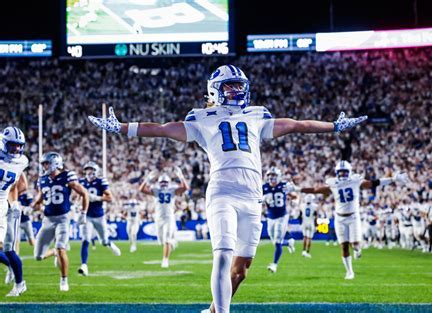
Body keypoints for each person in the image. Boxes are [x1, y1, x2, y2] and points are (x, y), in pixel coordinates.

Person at [88, 65, 367, 312]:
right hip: (222, 192)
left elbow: (297, 125)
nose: (236, 91)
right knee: (222, 254)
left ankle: (212, 310)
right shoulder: (201, 118)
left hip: (253, 196)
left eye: (239, 86)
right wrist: (123, 128)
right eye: (230, 86)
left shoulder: (257, 115)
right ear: (215, 90)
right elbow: (162, 128)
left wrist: (334, 126)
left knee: (241, 270)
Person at [304, 160, 408, 279]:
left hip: (353, 216)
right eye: (340, 172)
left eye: (344, 172)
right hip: (339, 217)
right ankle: (349, 272)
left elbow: (372, 183)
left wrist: (392, 179)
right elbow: (316, 190)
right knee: (344, 246)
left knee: (356, 244)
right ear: (337, 173)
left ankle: (358, 249)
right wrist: (297, 189)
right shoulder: (333, 183)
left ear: (349, 172)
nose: (342, 175)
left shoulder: (355, 180)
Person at [32, 152, 89, 291]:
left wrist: (83, 213)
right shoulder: (42, 179)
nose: (45, 166)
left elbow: (84, 193)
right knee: (38, 256)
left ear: (55, 163)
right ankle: (54, 253)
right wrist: (33, 207)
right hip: (47, 220)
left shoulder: (67, 176)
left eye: (46, 163)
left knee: (61, 247)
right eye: (43, 164)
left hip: (63, 218)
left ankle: (64, 280)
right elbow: (39, 199)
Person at [139, 168, 189, 268]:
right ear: (158, 182)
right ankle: (172, 242)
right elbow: (141, 190)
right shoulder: (156, 190)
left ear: (169, 182)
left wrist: (181, 177)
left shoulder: (172, 190)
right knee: (162, 241)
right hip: (158, 218)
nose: (164, 184)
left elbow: (185, 188)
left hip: (169, 218)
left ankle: (165, 260)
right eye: (162, 182)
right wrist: (147, 179)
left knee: (167, 240)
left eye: (166, 182)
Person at [78, 161, 121, 276]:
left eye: (91, 170)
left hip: (99, 216)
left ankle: (110, 244)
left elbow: (110, 198)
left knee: (103, 241)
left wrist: (96, 198)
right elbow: (78, 197)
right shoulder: (81, 182)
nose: (89, 172)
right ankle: (84, 265)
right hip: (87, 215)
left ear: (96, 171)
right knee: (85, 240)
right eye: (87, 169)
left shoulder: (101, 181)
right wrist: (78, 205)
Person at [0, 127, 29, 296]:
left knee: (7, 248)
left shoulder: (22, 161)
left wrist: (14, 201)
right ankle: (11, 266)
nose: (16, 149)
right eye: (12, 145)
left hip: (4, 204)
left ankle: (19, 282)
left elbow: (21, 184)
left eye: (19, 146)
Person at [262, 167, 298, 273]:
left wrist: (292, 199)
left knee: (277, 241)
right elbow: (258, 200)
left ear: (278, 177)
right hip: (270, 217)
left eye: (274, 175)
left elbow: (295, 196)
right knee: (274, 241)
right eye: (270, 175)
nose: (271, 178)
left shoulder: (284, 186)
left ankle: (274, 264)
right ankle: (289, 242)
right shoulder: (264, 187)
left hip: (282, 216)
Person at [300, 194, 317, 258]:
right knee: (309, 238)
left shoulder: (302, 205)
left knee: (305, 237)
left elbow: (300, 215)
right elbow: (316, 216)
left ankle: (303, 251)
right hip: (311, 222)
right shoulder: (314, 206)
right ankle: (307, 252)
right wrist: (316, 225)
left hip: (304, 222)